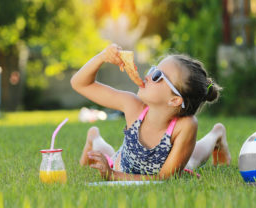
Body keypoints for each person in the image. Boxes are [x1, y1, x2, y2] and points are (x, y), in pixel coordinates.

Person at [70, 43, 231, 181]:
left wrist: (113, 175)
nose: (148, 76)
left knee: (192, 160)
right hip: (123, 163)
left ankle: (216, 134)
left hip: (149, 166)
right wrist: (102, 57)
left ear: (174, 100)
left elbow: (164, 177)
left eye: (157, 75)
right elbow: (80, 84)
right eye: (153, 69)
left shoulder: (185, 126)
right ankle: (94, 136)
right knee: (106, 153)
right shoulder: (132, 105)